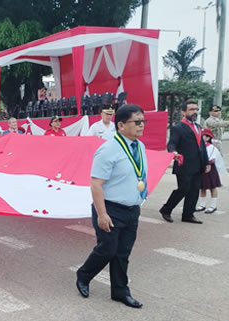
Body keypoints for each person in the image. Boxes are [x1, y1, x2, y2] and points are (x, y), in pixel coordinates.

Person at [76, 104, 148, 309]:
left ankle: (120, 291)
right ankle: (84, 275)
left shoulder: (139, 146)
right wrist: (102, 214)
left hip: (132, 209)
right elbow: (96, 184)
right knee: (107, 249)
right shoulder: (108, 149)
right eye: (137, 121)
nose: (142, 125)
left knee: (123, 253)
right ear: (122, 125)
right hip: (110, 209)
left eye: (143, 121)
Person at [160, 99, 210, 224]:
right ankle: (166, 209)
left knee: (194, 190)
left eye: (196, 109)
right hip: (184, 164)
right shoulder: (178, 128)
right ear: (183, 112)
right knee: (184, 188)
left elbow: (202, 146)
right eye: (191, 109)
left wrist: (207, 162)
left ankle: (188, 214)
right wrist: (173, 152)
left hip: (198, 164)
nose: (194, 112)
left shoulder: (198, 127)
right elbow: (172, 143)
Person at [196, 128, 227, 214]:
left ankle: (213, 205)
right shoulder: (199, 146)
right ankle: (202, 204)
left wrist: (207, 163)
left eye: (205, 136)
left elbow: (212, 158)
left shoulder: (211, 147)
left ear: (208, 137)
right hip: (201, 168)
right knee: (202, 187)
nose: (203, 137)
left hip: (210, 169)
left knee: (212, 187)